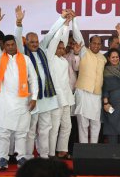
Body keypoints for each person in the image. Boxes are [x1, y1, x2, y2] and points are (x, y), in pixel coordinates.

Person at [16, 8, 67, 159]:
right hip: (32, 97)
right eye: (31, 41)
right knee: (30, 129)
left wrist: (61, 18)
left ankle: (44, 155)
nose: (35, 44)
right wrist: (19, 23)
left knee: (46, 128)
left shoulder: (42, 49)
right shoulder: (22, 53)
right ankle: (27, 155)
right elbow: (18, 39)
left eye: (36, 41)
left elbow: (50, 33)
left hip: (47, 96)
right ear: (26, 42)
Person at [0, 7, 38, 170]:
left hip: (21, 101)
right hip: (3, 102)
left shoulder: (24, 59)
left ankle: (21, 159)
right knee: (3, 133)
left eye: (13, 44)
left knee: (21, 133)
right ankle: (2, 160)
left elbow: (34, 79)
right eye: (8, 45)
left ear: (16, 45)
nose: (11, 47)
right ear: (3, 46)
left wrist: (34, 98)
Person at [72, 16, 107, 144]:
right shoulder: (84, 52)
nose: (96, 46)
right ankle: (84, 149)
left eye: (99, 44)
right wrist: (74, 21)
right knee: (83, 123)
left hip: (97, 94)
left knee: (96, 123)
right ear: (90, 43)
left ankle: (93, 148)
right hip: (83, 92)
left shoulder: (103, 58)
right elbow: (77, 36)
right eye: (94, 43)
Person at [47, 18, 76, 159]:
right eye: (58, 47)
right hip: (56, 98)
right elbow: (56, 40)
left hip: (66, 97)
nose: (61, 49)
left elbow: (63, 39)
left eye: (62, 47)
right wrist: (62, 24)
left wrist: (66, 25)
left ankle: (62, 150)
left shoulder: (64, 60)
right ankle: (51, 153)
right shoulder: (50, 58)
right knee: (54, 127)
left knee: (67, 126)